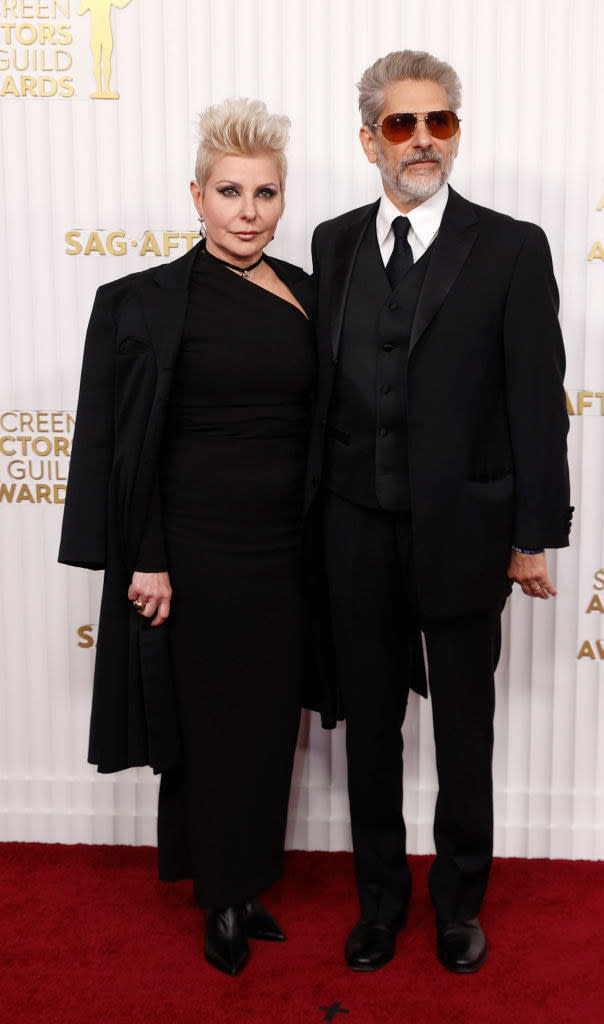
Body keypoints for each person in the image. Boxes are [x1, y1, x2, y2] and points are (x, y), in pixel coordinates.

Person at [305, 51, 572, 974]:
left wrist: (532, 534)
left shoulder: (510, 246)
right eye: (402, 124)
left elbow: (539, 398)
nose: (423, 140)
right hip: (352, 525)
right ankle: (379, 902)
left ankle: (458, 903)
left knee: (464, 731)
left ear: (457, 130)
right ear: (369, 138)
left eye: (441, 121)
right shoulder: (333, 242)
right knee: (369, 732)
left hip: (465, 530)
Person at [58, 98, 317, 976]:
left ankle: (248, 883)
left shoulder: (313, 296)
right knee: (205, 727)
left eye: (266, 193)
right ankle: (218, 899)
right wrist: (148, 554)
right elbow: (124, 445)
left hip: (288, 550)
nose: (249, 211)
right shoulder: (141, 303)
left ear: (284, 201)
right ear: (197, 195)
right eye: (230, 191)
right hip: (194, 552)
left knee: (268, 724)